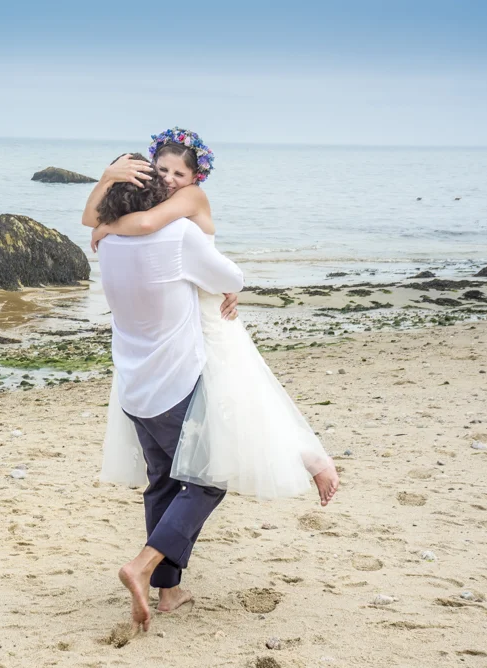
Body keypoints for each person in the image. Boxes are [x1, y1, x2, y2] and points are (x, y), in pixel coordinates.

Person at [93, 128, 339, 507]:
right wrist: (108, 179)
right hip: (192, 300)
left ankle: (312, 460)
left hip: (205, 307)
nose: (169, 180)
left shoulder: (189, 198)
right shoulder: (159, 203)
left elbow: (142, 227)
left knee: (242, 398)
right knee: (236, 398)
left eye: (179, 174)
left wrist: (106, 226)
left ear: (195, 178)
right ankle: (308, 459)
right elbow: (91, 218)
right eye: (161, 171)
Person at [94, 150, 246, 633]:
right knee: (207, 479)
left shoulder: (106, 241)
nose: (169, 180)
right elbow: (230, 278)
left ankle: (169, 592)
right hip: (176, 383)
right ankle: (141, 566)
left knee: (163, 480)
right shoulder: (178, 235)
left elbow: (108, 223)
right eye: (162, 174)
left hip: (134, 388)